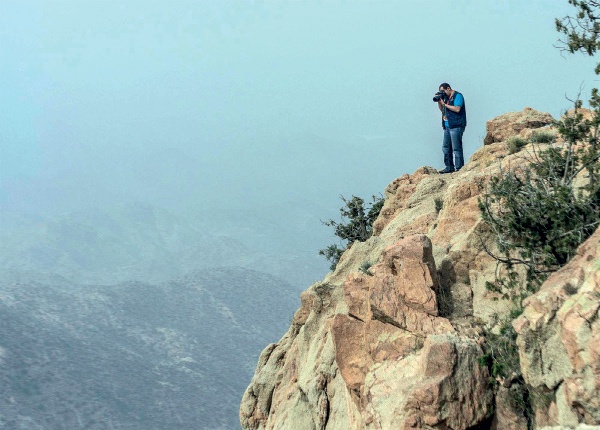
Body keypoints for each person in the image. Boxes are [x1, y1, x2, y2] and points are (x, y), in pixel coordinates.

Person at [435, 83, 467, 173]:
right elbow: (442, 110)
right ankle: (449, 167)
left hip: (456, 125)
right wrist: (439, 102)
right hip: (447, 126)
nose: (442, 93)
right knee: (446, 147)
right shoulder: (445, 97)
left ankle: (459, 168)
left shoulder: (458, 96)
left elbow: (457, 109)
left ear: (448, 88)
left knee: (456, 148)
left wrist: (444, 104)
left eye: (443, 91)